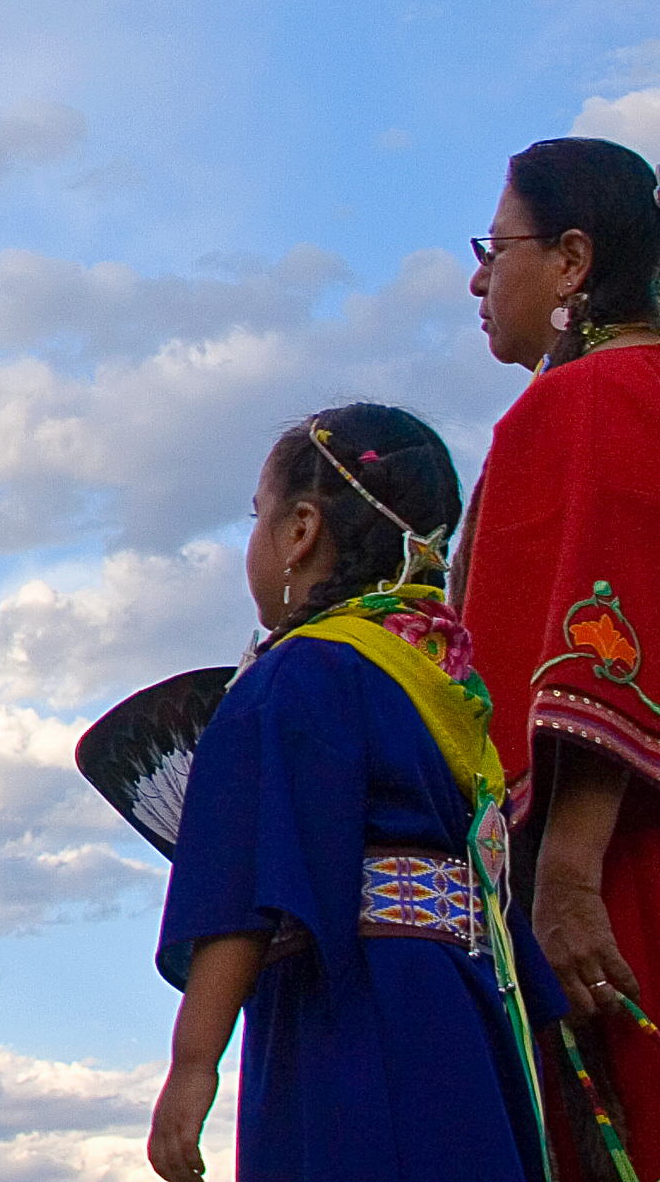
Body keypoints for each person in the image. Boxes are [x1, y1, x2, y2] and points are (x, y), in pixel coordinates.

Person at [147, 404, 557, 1182]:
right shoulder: (446, 683)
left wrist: (193, 1064)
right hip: (464, 1008)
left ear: (301, 531)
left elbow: (241, 887)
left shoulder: (291, 679)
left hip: (348, 1014)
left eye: (257, 516)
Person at [457, 135, 660, 1168]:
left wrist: (570, 872)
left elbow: (609, 628)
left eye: (501, 244)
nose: (481, 275)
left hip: (623, 866)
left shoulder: (592, 397)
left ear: (573, 260)